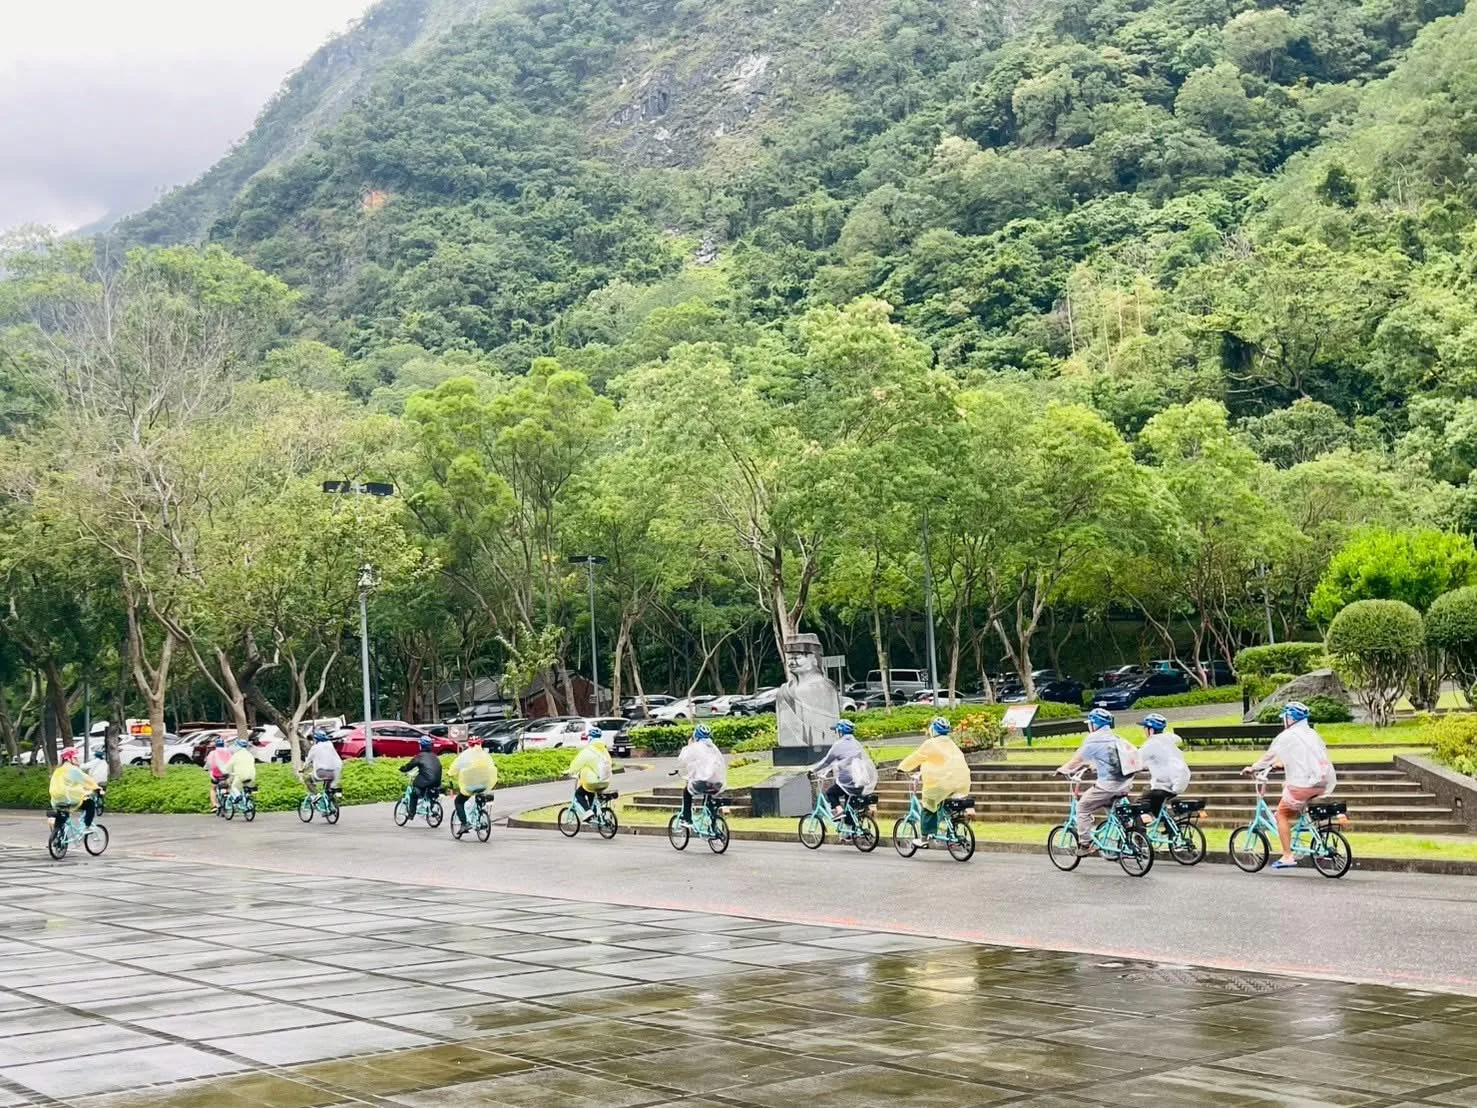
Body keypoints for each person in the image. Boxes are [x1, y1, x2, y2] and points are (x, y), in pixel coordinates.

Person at [1243, 701, 1336, 870]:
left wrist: (1253, 768)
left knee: (1282, 815)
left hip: (1304, 783)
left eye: (1285, 718)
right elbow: (1305, 758)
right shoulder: (1311, 734)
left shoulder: (1288, 735)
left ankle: (1287, 856)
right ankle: (1311, 842)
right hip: (1322, 781)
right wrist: (1283, 766)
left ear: (1290, 719)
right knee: (1297, 807)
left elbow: (1269, 757)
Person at [1057, 708, 1136, 853]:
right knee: (1110, 805)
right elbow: (1107, 759)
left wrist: (1063, 770)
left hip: (1108, 785)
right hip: (1125, 784)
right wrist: (1093, 767)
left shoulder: (1093, 739)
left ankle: (1086, 844)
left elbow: (1078, 760)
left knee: (1082, 807)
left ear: (1094, 724)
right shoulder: (1115, 738)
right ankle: (1125, 830)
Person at [897, 717, 970, 843]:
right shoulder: (952, 744)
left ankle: (925, 837)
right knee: (944, 801)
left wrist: (901, 768)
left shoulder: (930, 744)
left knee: (928, 805)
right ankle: (951, 824)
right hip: (962, 782)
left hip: (941, 782)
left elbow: (915, 757)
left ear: (933, 730)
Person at [809, 719, 877, 818]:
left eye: (837, 731)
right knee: (850, 806)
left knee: (831, 793)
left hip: (847, 780)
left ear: (840, 732)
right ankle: (853, 828)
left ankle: (839, 810)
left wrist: (813, 770)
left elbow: (827, 761)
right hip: (860, 780)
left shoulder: (839, 745)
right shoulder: (856, 744)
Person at [1138, 713, 1191, 824]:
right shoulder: (1168, 739)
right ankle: (1172, 828)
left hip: (1164, 785)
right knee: (1156, 806)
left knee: (1138, 806)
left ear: (1151, 730)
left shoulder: (1151, 743)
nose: (1144, 730)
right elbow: (1163, 758)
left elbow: (1136, 761)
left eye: (1145, 728)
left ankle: (1139, 838)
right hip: (1177, 782)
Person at [675, 724, 727, 825]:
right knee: (709, 795)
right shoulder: (713, 747)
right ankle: (712, 820)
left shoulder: (694, 747)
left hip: (702, 782)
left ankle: (687, 818)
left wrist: (689, 745)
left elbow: (683, 760)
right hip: (717, 782)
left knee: (687, 792)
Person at [448, 736, 497, 830]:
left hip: (470, 786)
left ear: (469, 744)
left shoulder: (465, 755)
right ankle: (479, 814)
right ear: (480, 743)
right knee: (480, 796)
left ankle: (464, 824)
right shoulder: (485, 755)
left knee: (458, 802)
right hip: (484, 785)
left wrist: (450, 773)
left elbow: (455, 766)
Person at [49, 748, 99, 839]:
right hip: (68, 798)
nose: (77, 760)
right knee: (90, 804)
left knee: (62, 815)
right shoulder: (72, 770)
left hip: (56, 800)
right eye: (75, 758)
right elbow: (86, 780)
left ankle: (56, 838)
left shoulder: (58, 770)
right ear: (69, 759)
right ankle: (87, 826)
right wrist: (97, 788)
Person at [568, 728, 613, 816]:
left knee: (579, 794)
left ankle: (588, 812)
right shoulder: (604, 750)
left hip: (592, 782)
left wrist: (569, 771)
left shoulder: (588, 751)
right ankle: (596, 814)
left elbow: (577, 763)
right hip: (605, 781)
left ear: (590, 738)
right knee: (590, 792)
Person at [399, 735, 443, 820]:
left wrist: (403, 769)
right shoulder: (434, 756)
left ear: (421, 745)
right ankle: (432, 805)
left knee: (414, 793)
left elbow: (410, 765)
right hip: (437, 780)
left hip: (426, 780)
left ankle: (411, 813)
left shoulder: (420, 756)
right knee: (430, 791)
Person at [302, 731, 343, 801]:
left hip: (321, 772)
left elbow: (308, 761)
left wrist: (303, 769)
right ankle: (330, 802)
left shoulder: (315, 748)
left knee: (307, 780)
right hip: (334, 772)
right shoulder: (330, 745)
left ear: (316, 739)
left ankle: (316, 794)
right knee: (328, 787)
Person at [225, 737, 257, 806]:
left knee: (234, 786)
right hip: (252, 775)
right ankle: (248, 798)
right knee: (247, 786)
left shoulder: (236, 755)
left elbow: (229, 766)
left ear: (238, 746)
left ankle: (238, 796)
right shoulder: (250, 755)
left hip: (241, 775)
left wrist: (227, 772)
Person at [205, 736, 233, 812]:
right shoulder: (228, 752)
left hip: (215, 774)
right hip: (226, 775)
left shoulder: (212, 753)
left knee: (213, 788)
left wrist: (207, 770)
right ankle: (229, 802)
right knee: (228, 786)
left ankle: (214, 805)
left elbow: (209, 764)